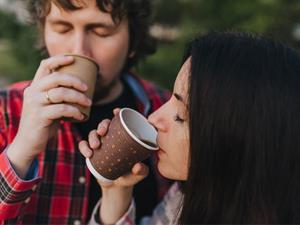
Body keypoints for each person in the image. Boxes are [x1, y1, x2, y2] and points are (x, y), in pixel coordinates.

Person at [79, 32, 300, 224]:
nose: (154, 118)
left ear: (238, 137)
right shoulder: (184, 200)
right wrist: (116, 191)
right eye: (171, 100)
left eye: (180, 116)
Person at [0, 0, 172, 224]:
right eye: (62, 28)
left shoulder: (164, 112)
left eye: (101, 31)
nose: (79, 50)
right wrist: (22, 150)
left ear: (133, 38)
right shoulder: (6, 110)